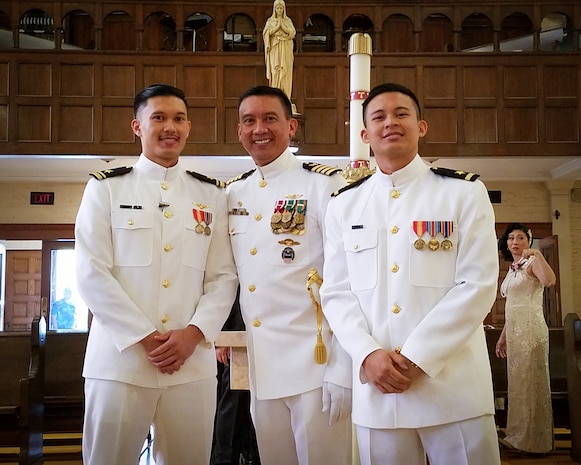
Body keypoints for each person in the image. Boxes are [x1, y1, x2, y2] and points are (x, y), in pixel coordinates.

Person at [319, 82, 501, 465]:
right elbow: (336, 292)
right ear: (365, 134)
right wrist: (367, 355)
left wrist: (417, 357)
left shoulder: (463, 194)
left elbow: (478, 284)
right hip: (378, 392)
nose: (391, 123)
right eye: (379, 117)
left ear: (422, 126)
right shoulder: (344, 205)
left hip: (453, 388)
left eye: (401, 113)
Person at [74, 83, 238, 465]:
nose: (170, 127)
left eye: (179, 118)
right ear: (137, 126)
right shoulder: (107, 189)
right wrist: (146, 338)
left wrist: (193, 334)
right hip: (120, 361)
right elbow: (90, 272)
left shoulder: (211, 195)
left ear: (189, 126)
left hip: (191, 362)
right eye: (159, 118)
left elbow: (223, 277)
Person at [225, 85, 352, 465]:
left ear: (291, 126)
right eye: (249, 121)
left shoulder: (323, 184)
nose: (259, 129)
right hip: (262, 368)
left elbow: (348, 280)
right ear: (239, 131)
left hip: (317, 363)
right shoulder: (234, 193)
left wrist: (343, 366)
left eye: (270, 119)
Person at [495, 222, 556, 454]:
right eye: (511, 238)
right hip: (514, 331)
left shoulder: (532, 262)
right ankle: (517, 435)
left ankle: (534, 441)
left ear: (528, 241)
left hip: (531, 330)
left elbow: (549, 281)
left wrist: (538, 254)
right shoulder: (513, 267)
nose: (515, 242)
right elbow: (513, 306)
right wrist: (503, 337)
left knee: (531, 384)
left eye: (521, 237)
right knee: (519, 384)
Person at [211, 289, 261, 465]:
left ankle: (252, 455)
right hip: (232, 336)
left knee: (252, 404)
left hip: (256, 335)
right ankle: (224, 458)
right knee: (230, 405)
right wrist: (222, 339)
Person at [263, 0, 296, 100]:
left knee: (284, 70)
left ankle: (285, 98)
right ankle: (275, 96)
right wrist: (277, 26)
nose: (279, 10)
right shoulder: (270, 21)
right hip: (274, 49)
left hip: (285, 49)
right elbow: (266, 34)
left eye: (281, 8)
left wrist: (283, 27)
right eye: (277, 8)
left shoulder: (288, 21)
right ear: (274, 9)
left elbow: (292, 33)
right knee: (275, 70)